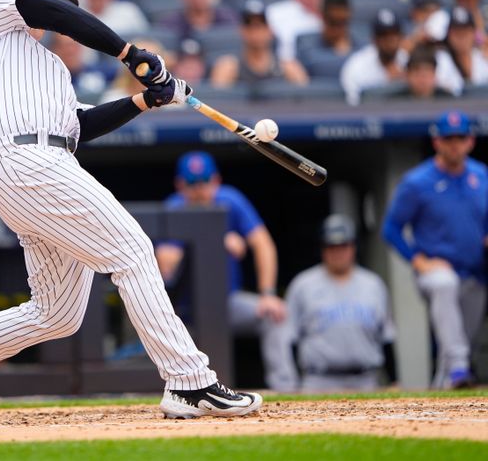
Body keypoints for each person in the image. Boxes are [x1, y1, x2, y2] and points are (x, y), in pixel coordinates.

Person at [0, 0, 263, 425]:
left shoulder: (44, 66)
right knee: (131, 252)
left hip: (38, 167)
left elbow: (80, 125)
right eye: (53, 0)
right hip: (27, 162)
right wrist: (130, 53)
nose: (56, 14)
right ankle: (189, 380)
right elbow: (45, 9)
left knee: (57, 312)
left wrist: (145, 99)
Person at [157, 151, 298, 392]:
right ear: (180, 185)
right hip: (184, 313)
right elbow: (165, 262)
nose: (199, 189)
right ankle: (164, 393)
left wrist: (267, 293)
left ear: (216, 180)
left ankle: (285, 390)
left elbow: (263, 244)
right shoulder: (174, 207)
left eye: (204, 182)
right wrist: (214, 240)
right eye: (192, 183)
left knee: (274, 316)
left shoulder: (230, 200)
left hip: (227, 302)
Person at [383, 110, 487, 389]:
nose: (455, 144)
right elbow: (391, 229)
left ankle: (446, 387)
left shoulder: (482, 176)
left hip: (476, 273)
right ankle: (459, 369)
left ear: (470, 141)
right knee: (444, 285)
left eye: (460, 138)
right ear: (437, 142)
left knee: (458, 340)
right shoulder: (417, 182)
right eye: (448, 138)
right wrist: (418, 261)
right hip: (437, 270)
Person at [286, 215, 395, 393]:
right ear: (323, 249)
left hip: (366, 380)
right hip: (317, 381)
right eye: (331, 246)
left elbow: (387, 338)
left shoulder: (373, 284)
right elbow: (290, 339)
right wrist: (292, 382)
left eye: (343, 245)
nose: (338, 252)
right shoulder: (302, 285)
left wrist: (394, 380)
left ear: (353, 247)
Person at [211, 0, 309, 87]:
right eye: (250, 26)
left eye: (261, 26)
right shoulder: (229, 68)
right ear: (241, 31)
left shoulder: (289, 68)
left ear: (270, 30)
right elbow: (217, 103)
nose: (256, 32)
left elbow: (307, 102)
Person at [341, 8, 407, 106]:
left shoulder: (409, 61)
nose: (390, 40)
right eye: (383, 35)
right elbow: (352, 104)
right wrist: (388, 84)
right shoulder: (357, 65)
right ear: (374, 39)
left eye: (394, 34)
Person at [297, 0, 364, 80]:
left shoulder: (362, 46)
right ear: (322, 16)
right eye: (333, 22)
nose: (337, 29)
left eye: (343, 22)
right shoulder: (304, 44)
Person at [445, 6, 488, 86]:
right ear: (448, 35)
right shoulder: (440, 59)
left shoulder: (483, 58)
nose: (461, 37)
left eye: (465, 33)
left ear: (473, 33)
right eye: (456, 33)